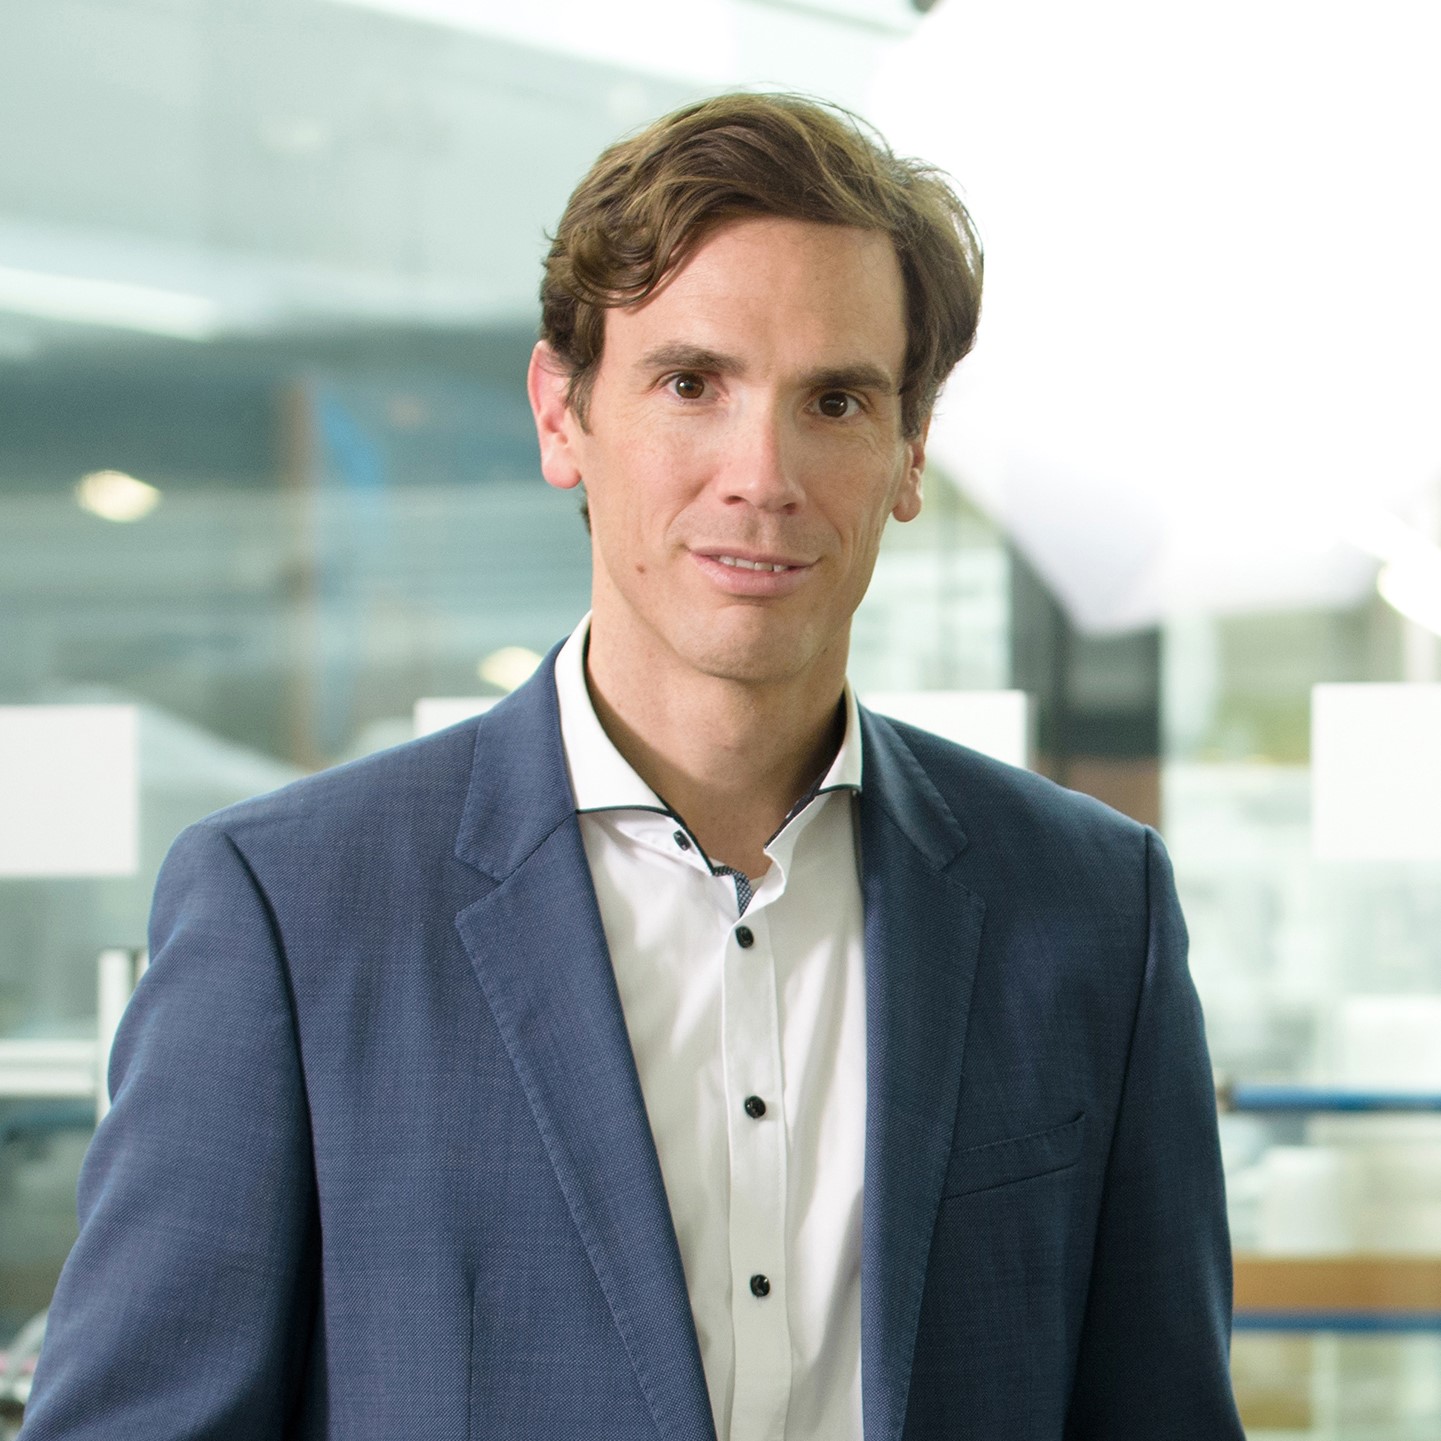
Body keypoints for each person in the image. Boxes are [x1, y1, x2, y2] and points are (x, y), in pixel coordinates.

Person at [21, 93, 1243, 1440]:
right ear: (562, 415)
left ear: (909, 453)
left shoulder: (1091, 907)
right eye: (690, 384)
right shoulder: (293, 910)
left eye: (835, 400)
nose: (761, 474)